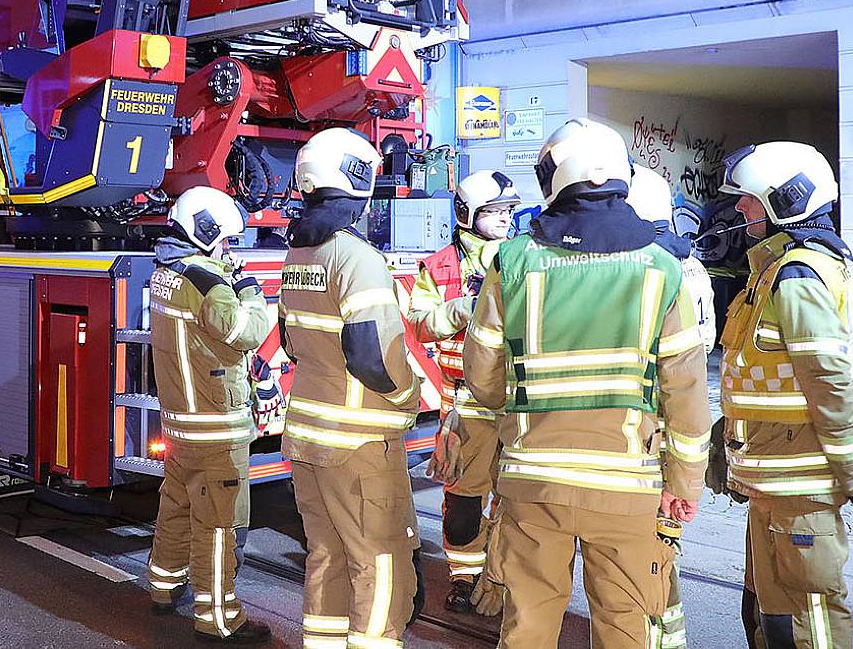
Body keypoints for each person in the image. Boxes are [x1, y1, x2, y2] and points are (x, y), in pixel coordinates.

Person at [464, 118, 710, 649]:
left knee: (527, 627)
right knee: (624, 626)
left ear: (554, 179)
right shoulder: (662, 270)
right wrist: (683, 485)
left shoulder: (512, 262)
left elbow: (482, 379)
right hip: (626, 488)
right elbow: (688, 398)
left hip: (533, 484)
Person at [713, 142, 853, 649]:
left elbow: (829, 382)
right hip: (774, 477)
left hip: (799, 481)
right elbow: (760, 376)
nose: (741, 208)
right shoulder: (775, 269)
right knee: (773, 612)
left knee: (809, 613)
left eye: (750, 199)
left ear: (786, 200)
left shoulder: (798, 276)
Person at [280, 128, 421, 649]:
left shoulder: (299, 254)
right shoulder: (357, 258)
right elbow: (373, 357)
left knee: (326, 554)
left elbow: (291, 343)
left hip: (308, 439)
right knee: (380, 558)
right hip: (358, 443)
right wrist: (408, 398)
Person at [146, 186, 277, 645]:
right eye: (225, 241)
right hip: (216, 428)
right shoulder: (209, 285)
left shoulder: (166, 272)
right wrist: (250, 290)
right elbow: (249, 332)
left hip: (180, 424)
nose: (229, 250)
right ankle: (219, 618)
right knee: (219, 525)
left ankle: (163, 586)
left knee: (176, 506)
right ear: (205, 233)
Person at [406, 170, 520, 612]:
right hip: (465, 405)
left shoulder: (524, 257)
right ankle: (464, 577)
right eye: (494, 211)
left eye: (509, 211)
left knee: (516, 497)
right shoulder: (440, 267)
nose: (505, 219)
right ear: (467, 213)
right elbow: (419, 324)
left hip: (517, 403)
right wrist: (461, 309)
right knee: (463, 502)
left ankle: (502, 576)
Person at [627, 165, 716, 648]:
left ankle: (654, 637)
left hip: (649, 433)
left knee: (645, 557)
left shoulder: (648, 269)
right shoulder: (691, 265)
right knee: (662, 551)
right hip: (679, 427)